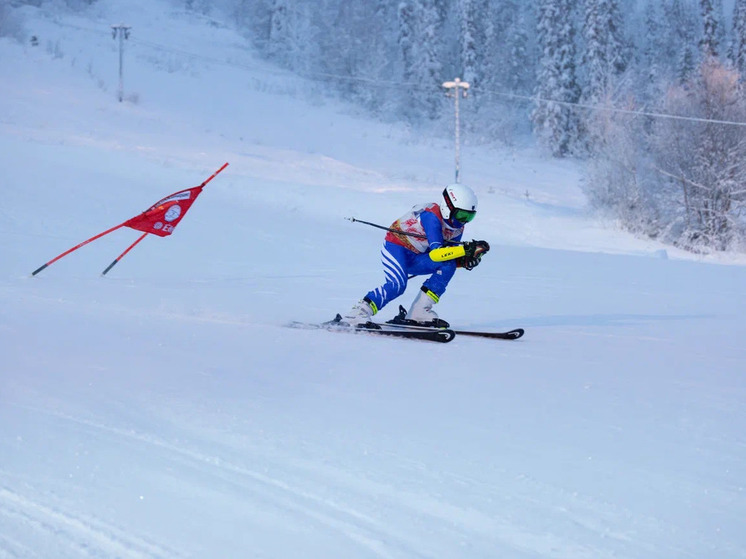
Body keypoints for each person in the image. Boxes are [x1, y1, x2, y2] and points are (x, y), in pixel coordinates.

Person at [343, 183, 490, 328]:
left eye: (469, 217)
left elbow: (446, 256)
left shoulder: (457, 228)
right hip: (396, 248)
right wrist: (465, 250)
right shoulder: (431, 216)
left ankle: (419, 312)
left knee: (448, 265)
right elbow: (437, 254)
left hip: (417, 256)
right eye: (461, 215)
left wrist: (463, 261)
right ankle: (358, 313)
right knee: (397, 285)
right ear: (448, 208)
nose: (463, 221)